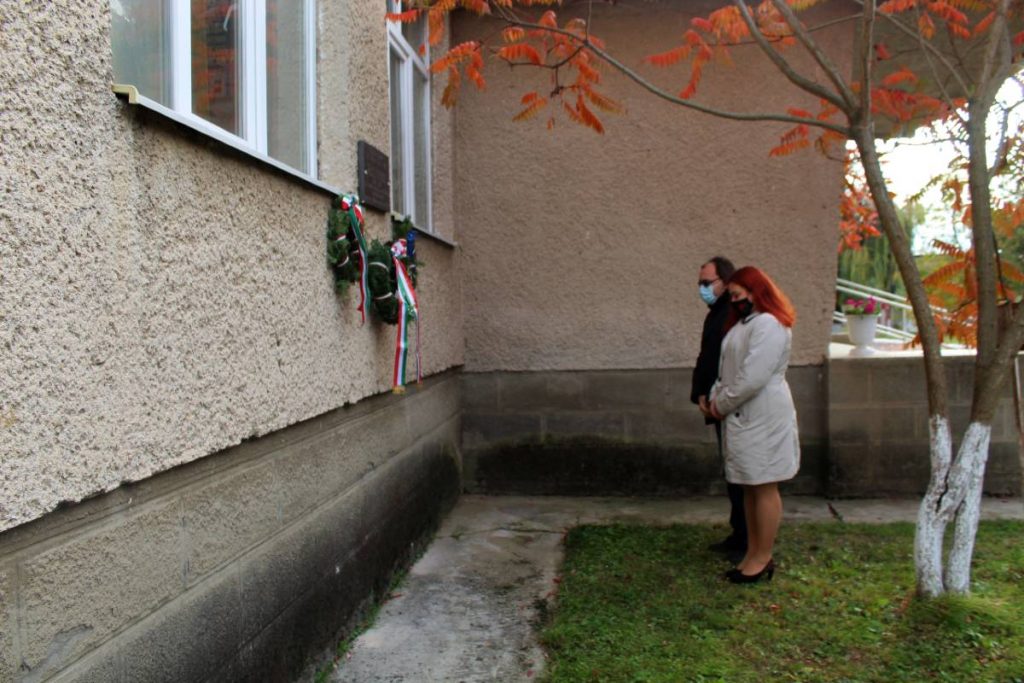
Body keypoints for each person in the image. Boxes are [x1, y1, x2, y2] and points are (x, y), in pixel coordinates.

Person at [709, 266, 799, 584]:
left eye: (737, 295)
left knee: (764, 485)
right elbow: (728, 371)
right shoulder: (743, 325)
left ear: (755, 291)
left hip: (764, 415)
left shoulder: (770, 324)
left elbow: (753, 377)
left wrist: (721, 404)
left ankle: (763, 557)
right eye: (731, 296)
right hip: (744, 414)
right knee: (750, 484)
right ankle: (752, 552)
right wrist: (715, 396)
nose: (734, 302)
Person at [690, 256, 746, 563]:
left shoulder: (732, 315)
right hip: (716, 402)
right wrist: (700, 393)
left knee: (740, 474)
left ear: (725, 281)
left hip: (729, 404)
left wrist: (716, 398)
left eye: (707, 282)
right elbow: (707, 357)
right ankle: (739, 534)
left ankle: (745, 539)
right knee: (732, 471)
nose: (702, 289)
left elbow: (729, 364)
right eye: (699, 283)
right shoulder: (717, 313)